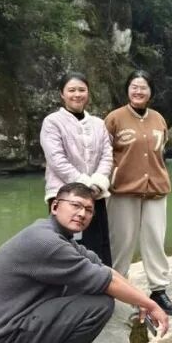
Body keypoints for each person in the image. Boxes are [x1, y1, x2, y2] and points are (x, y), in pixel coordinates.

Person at [0, 182, 171, 343]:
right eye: (75, 205)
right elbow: (106, 282)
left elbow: (104, 270)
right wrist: (151, 305)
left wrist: (143, 300)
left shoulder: (56, 235)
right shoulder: (47, 242)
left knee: (88, 288)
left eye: (88, 210)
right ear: (55, 206)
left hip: (13, 332)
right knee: (99, 305)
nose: (82, 214)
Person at [104, 70, 172, 316]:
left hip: (156, 189)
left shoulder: (158, 119)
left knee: (155, 240)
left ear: (151, 92)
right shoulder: (114, 119)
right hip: (123, 190)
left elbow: (161, 150)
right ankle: (117, 288)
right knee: (121, 241)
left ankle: (159, 289)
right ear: (127, 90)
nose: (138, 91)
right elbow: (104, 153)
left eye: (143, 87)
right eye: (134, 87)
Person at [40, 72, 114, 265]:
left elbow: (107, 155)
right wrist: (84, 185)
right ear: (62, 94)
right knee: (68, 246)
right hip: (65, 196)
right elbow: (56, 159)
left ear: (88, 93)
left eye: (82, 90)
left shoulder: (98, 124)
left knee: (98, 245)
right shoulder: (52, 122)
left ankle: (101, 282)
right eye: (71, 90)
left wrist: (97, 182)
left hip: (95, 194)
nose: (77, 94)